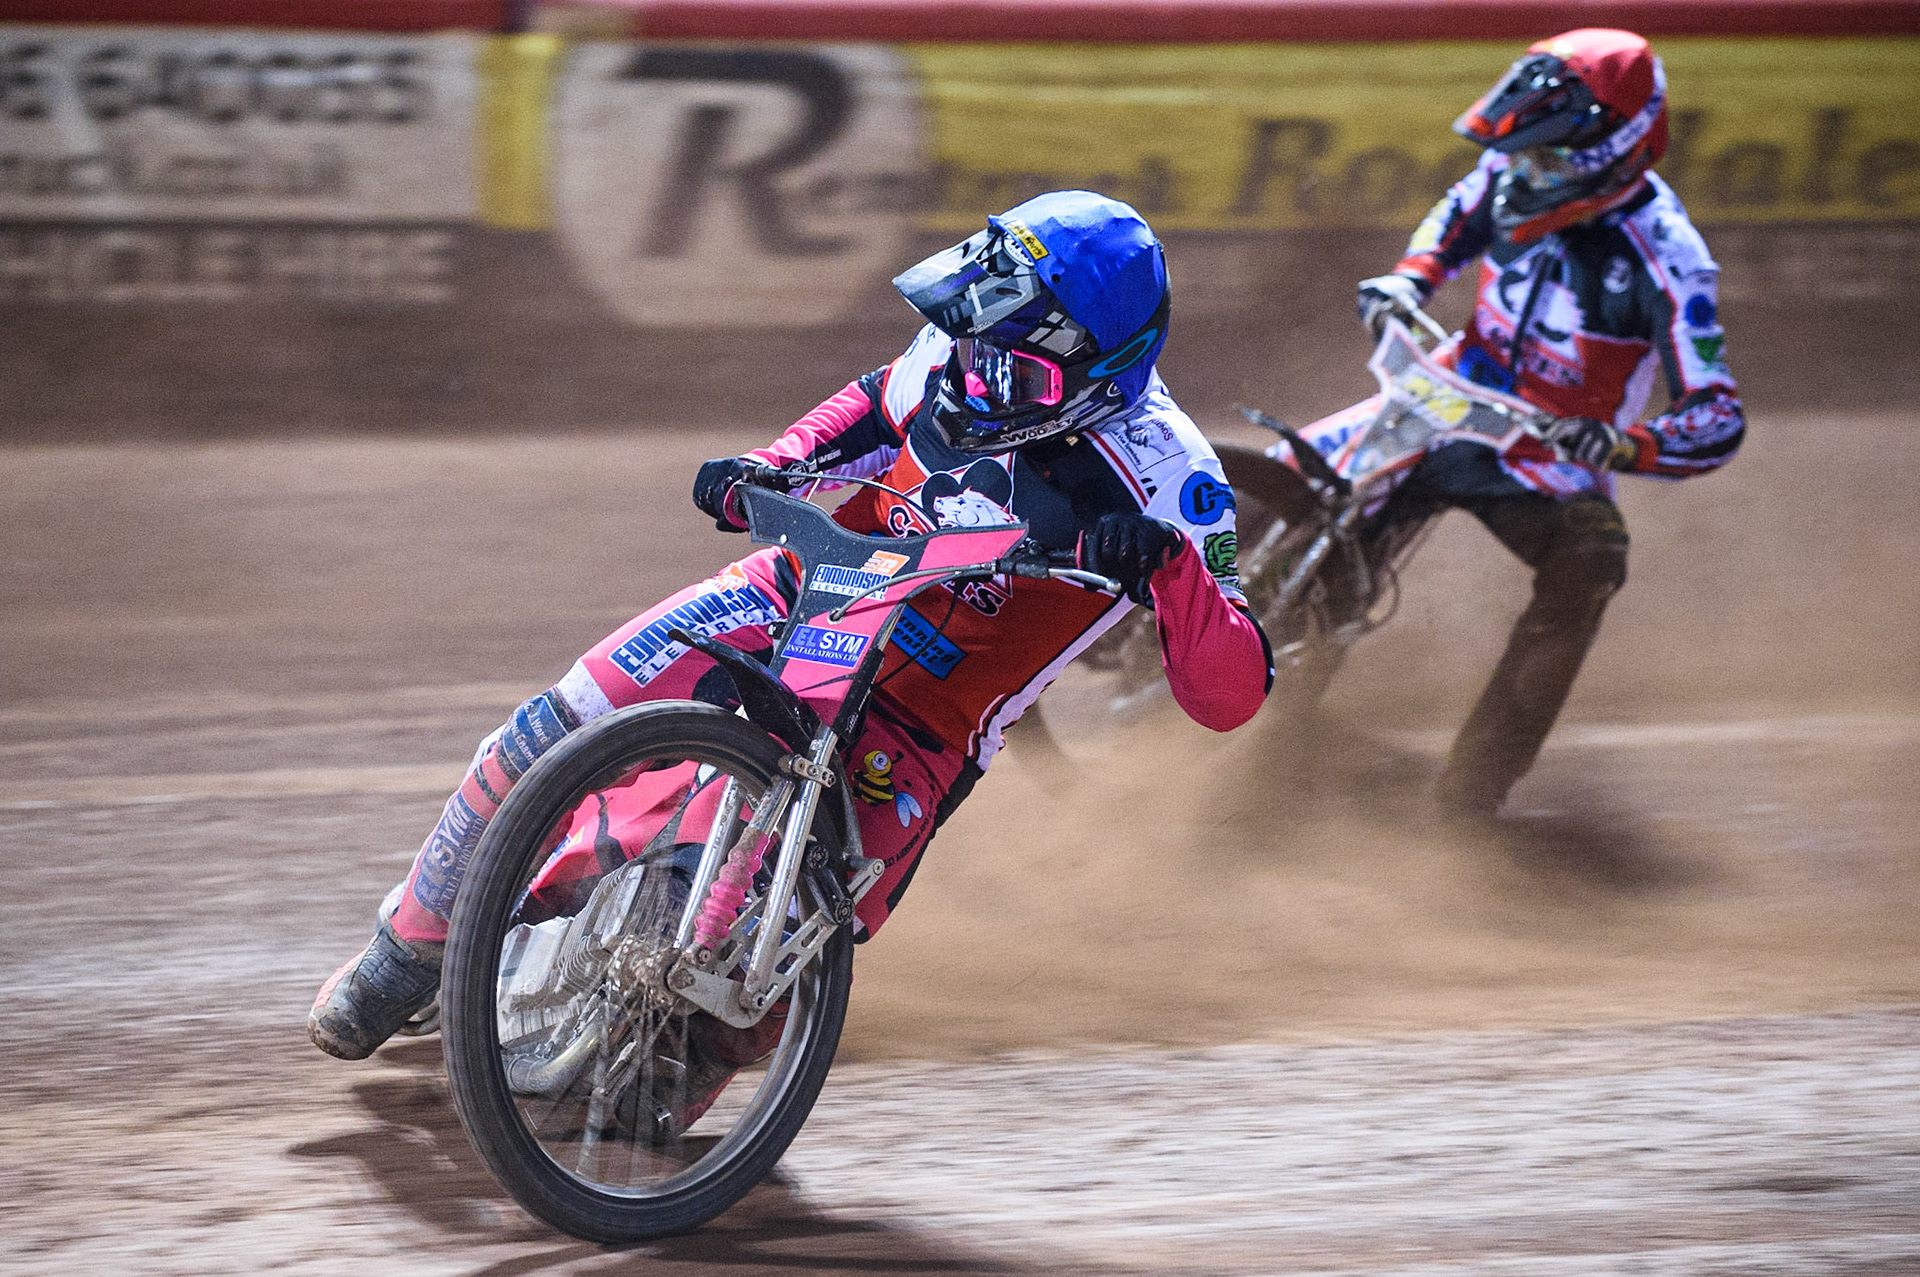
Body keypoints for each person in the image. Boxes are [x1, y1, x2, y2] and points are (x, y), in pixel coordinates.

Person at [310, 189, 1273, 1064]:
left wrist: (1170, 568)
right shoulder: (969, 344)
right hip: (805, 589)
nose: (976, 378)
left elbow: (1233, 695)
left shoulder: (1174, 480)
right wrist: (772, 464)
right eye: (975, 345)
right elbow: (873, 405)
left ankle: (665, 1073)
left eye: (1010, 369)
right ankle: (404, 957)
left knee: (754, 1001)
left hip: (921, 721)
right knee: (545, 733)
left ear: (1099, 373)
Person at [1335, 27, 1745, 817]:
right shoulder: (1511, 165)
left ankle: (1471, 794)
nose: (1520, 175)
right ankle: (1259, 694)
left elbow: (1717, 414)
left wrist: (1626, 445)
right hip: (1445, 396)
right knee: (1316, 498)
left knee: (1592, 560)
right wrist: (1409, 279)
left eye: (1544, 162)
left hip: (1549, 450)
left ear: (1614, 156)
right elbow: (1459, 212)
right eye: (1517, 155)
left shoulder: (1671, 257)